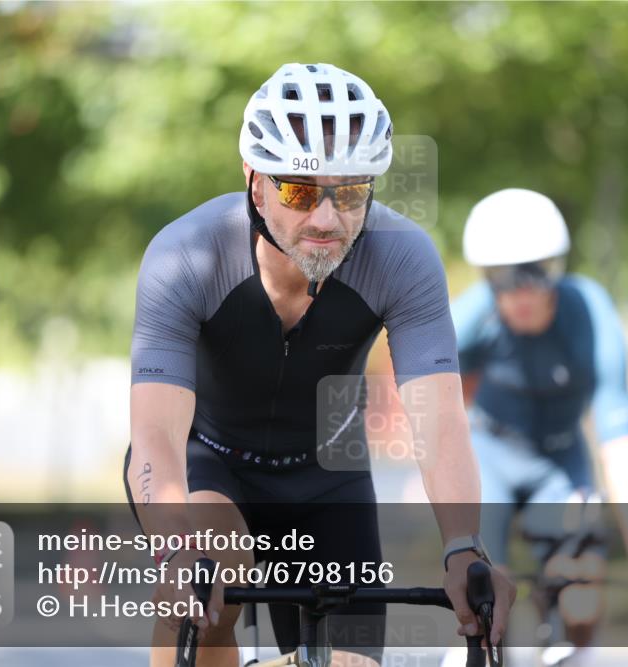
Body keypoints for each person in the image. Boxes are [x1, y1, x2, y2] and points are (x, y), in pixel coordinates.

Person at [124, 63, 514, 667]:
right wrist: (176, 551)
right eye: (301, 192)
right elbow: (155, 433)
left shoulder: (402, 258)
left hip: (329, 476)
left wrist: (464, 547)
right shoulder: (186, 255)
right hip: (211, 464)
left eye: (350, 191)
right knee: (205, 590)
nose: (328, 220)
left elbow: (438, 423)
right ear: (254, 182)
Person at [451, 189, 628, 661]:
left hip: (560, 458)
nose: (522, 292)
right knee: (486, 600)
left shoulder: (590, 314)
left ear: (558, 267)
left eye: (537, 272)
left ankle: (568, 646)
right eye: (503, 279)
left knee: (580, 604)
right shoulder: (470, 317)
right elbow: (439, 403)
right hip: (491, 453)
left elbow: (618, 442)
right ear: (486, 279)